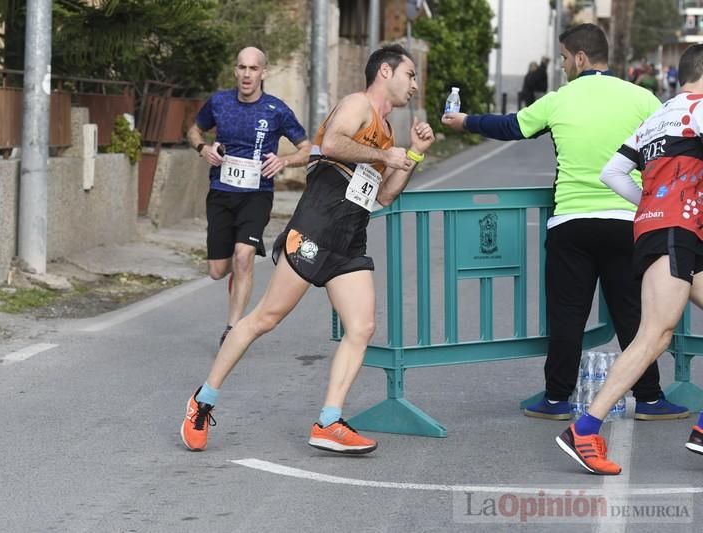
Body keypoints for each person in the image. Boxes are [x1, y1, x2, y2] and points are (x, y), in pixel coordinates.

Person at [181, 44, 434, 454]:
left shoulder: (387, 132)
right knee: (265, 318)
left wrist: (414, 156)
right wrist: (383, 154)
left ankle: (329, 422)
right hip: (316, 227)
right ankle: (202, 400)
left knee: (362, 327)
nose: (414, 84)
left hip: (350, 237)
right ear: (385, 72)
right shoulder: (357, 105)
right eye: (410, 74)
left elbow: (384, 196)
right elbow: (332, 144)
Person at [442, 24, 688, 422]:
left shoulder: (559, 99)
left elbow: (511, 127)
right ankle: (650, 398)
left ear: (579, 58)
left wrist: (466, 121)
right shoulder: (643, 98)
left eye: (562, 58)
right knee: (633, 314)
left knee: (568, 313)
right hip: (628, 220)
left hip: (571, 222)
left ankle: (556, 399)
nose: (560, 66)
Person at [556, 43, 703, 476]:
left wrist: (653, 205)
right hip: (677, 231)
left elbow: (611, 173)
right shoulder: (700, 109)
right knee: (654, 335)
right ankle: (583, 430)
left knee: (654, 332)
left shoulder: (659, 115)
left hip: (664, 228)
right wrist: (669, 209)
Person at [187, 47, 311, 346]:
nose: (246, 74)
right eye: (242, 68)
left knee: (244, 257)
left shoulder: (276, 110)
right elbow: (194, 130)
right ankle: (237, 270)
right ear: (235, 71)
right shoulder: (219, 102)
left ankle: (232, 330)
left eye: (253, 68)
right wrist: (203, 148)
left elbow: (307, 148)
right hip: (221, 191)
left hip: (257, 194)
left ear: (263, 73)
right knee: (218, 270)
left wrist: (284, 161)